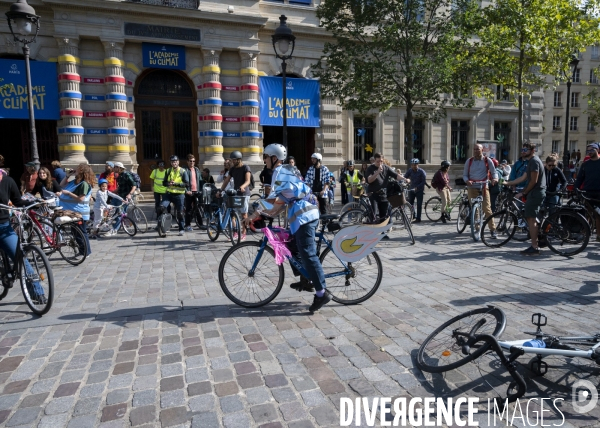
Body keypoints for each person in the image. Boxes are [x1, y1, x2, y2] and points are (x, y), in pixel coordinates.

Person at [243, 161, 330, 313]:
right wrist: (260, 214)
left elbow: (271, 202)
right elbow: (277, 207)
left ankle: (321, 293)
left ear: (273, 157)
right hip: (302, 217)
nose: (264, 161)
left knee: (308, 253)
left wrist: (253, 215)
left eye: (266, 157)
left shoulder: (282, 176)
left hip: (305, 216)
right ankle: (305, 279)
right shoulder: (287, 177)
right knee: (290, 244)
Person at [0, 170, 47, 304]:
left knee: (20, 256)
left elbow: (17, 201)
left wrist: (35, 203)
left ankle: (37, 293)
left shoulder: (7, 181)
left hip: (3, 227)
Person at [505, 143, 546, 255]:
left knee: (531, 219)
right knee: (531, 217)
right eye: (522, 149)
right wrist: (507, 183)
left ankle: (534, 246)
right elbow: (523, 178)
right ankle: (540, 238)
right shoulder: (530, 162)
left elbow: (534, 181)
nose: (523, 151)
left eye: (525, 149)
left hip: (536, 193)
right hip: (534, 193)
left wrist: (524, 193)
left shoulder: (534, 161)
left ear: (533, 150)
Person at [462, 144, 498, 238]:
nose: (476, 151)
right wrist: (467, 181)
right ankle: (477, 229)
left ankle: (493, 230)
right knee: (475, 209)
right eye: (474, 149)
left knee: (487, 209)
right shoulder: (469, 161)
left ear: (482, 150)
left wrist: (495, 179)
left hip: (483, 186)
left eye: (478, 149)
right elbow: (465, 175)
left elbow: (494, 172)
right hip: (472, 187)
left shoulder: (487, 160)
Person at [58, 164, 95, 255]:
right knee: (75, 233)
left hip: (79, 212)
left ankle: (86, 252)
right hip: (72, 212)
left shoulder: (84, 184)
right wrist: (67, 176)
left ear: (82, 172)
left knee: (81, 234)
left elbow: (80, 199)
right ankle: (82, 251)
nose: (75, 170)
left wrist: (69, 193)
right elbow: (61, 185)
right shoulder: (75, 181)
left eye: (77, 169)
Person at [220, 151, 252, 240]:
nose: (233, 162)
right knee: (232, 213)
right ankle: (235, 233)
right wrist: (221, 190)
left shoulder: (246, 167)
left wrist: (243, 186)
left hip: (244, 194)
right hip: (236, 193)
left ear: (239, 159)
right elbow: (226, 181)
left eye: (234, 160)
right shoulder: (233, 169)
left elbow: (248, 181)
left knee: (244, 214)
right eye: (232, 160)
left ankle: (244, 234)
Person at [365, 152, 404, 222]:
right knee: (373, 213)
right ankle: (371, 226)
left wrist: (405, 179)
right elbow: (369, 180)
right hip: (372, 194)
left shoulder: (386, 168)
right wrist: (377, 172)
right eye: (378, 161)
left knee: (383, 215)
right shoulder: (370, 168)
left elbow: (396, 175)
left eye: (381, 161)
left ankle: (382, 230)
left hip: (382, 194)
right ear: (374, 160)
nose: (380, 163)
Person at [574, 143, 600, 242]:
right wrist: (576, 188)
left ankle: (598, 235)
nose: (589, 152)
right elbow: (580, 178)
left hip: (599, 192)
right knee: (586, 214)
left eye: (592, 149)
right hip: (588, 192)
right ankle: (584, 233)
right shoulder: (585, 164)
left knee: (598, 215)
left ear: (597, 150)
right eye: (588, 150)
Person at [161, 156, 190, 236]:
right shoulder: (168, 171)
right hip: (169, 193)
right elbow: (164, 183)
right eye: (172, 162)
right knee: (162, 207)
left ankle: (181, 229)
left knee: (180, 213)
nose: (174, 163)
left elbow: (187, 184)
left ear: (178, 162)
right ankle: (164, 226)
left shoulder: (183, 171)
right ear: (170, 163)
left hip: (179, 194)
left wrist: (176, 184)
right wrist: (168, 183)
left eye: (175, 161)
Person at [111, 162, 137, 236]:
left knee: (120, 213)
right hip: (119, 196)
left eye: (115, 167)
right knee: (111, 210)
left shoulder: (127, 175)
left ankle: (115, 229)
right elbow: (120, 188)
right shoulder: (119, 176)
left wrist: (130, 194)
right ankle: (123, 225)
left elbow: (134, 185)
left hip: (125, 197)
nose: (114, 169)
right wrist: (111, 193)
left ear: (119, 168)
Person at [404, 159, 427, 223]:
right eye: (412, 165)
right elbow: (405, 176)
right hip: (411, 189)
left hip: (419, 190)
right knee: (411, 203)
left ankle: (418, 218)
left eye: (415, 165)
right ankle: (413, 216)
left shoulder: (422, 172)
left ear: (418, 165)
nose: (414, 166)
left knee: (419, 204)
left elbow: (423, 182)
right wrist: (405, 180)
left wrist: (417, 187)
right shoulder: (410, 170)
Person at [184, 154, 202, 232]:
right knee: (189, 209)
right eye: (190, 161)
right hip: (189, 192)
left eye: (193, 161)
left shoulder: (197, 169)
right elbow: (182, 182)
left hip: (196, 191)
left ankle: (200, 224)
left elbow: (200, 180)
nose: (192, 162)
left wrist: (202, 189)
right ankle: (187, 225)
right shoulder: (184, 170)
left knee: (198, 208)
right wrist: (186, 190)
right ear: (187, 161)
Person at [150, 159, 169, 226]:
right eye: (160, 165)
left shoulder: (167, 172)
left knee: (165, 203)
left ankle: (167, 214)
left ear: (164, 165)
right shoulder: (154, 171)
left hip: (164, 190)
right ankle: (158, 215)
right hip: (157, 190)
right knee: (157, 203)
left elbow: (169, 181)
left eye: (162, 165)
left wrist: (168, 189)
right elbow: (152, 180)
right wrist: (152, 188)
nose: (161, 166)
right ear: (158, 165)